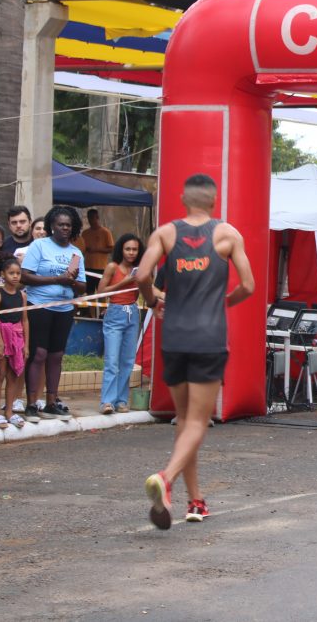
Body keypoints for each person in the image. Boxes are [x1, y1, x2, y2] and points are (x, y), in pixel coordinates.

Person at [138, 174, 254, 529]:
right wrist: (224, 301)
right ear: (214, 201)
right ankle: (166, 478)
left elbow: (142, 275)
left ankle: (195, 501)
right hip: (208, 338)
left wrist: (152, 301)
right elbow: (248, 286)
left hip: (174, 338)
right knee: (197, 423)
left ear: (183, 199)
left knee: (184, 422)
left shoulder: (165, 234)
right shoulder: (227, 235)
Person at [21, 206, 87, 421]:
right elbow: (25, 276)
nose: (65, 228)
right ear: (52, 226)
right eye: (61, 224)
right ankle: (31, 404)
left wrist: (72, 281)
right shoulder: (39, 245)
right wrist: (57, 279)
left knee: (56, 355)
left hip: (64, 309)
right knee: (39, 354)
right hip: (39, 306)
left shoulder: (76, 253)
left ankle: (51, 402)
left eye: (68, 225)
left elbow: (82, 287)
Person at [98, 234, 144, 415]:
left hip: (132, 312)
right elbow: (101, 291)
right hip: (115, 311)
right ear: (121, 250)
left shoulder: (138, 269)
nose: (131, 253)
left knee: (127, 361)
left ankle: (121, 400)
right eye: (128, 249)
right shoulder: (113, 267)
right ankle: (107, 401)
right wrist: (125, 282)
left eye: (135, 249)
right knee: (112, 361)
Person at [0, 256, 28, 429]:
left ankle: (9, 412)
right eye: (11, 273)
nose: (15, 276)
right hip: (2, 337)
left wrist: (26, 345)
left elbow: (25, 320)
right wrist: (0, 343)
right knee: (0, 374)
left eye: (18, 273)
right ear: (3, 274)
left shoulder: (22, 295)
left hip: (17, 339)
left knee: (13, 376)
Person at [81, 209, 114, 296]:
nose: (90, 220)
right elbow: (81, 249)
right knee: (89, 293)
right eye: (89, 218)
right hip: (88, 267)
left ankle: (102, 305)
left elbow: (111, 249)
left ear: (97, 218)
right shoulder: (85, 233)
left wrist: (97, 249)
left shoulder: (105, 232)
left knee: (102, 292)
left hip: (101, 268)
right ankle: (91, 305)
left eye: (92, 218)